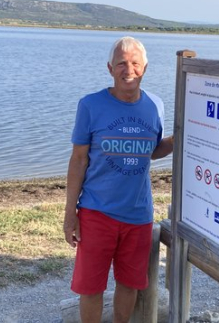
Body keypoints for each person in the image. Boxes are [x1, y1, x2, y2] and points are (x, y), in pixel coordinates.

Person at [63, 36, 174, 323]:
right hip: (96, 212)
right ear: (110, 68)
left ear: (145, 68)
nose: (129, 69)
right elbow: (78, 160)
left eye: (135, 63)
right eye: (122, 63)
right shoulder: (90, 105)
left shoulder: (155, 105)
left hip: (138, 215)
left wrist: (177, 139)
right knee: (91, 286)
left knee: (129, 283)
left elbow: (151, 150)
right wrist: (69, 213)